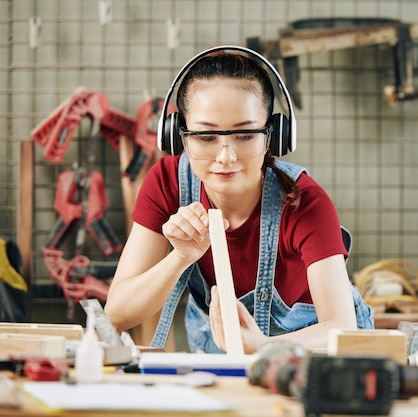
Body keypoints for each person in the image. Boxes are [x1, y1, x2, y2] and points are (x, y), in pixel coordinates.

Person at [105, 46, 374, 354]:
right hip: (222, 355)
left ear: (273, 136)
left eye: (245, 136)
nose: (226, 157)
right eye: (206, 137)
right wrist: (180, 256)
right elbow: (117, 313)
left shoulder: (304, 201)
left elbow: (341, 326)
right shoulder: (167, 183)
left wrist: (263, 346)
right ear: (178, 136)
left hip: (314, 352)